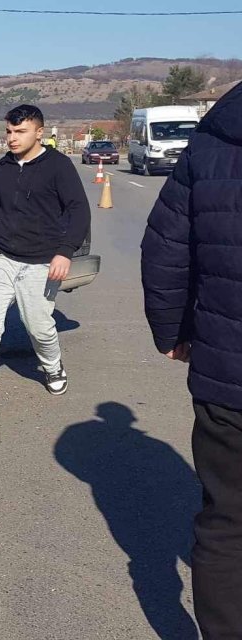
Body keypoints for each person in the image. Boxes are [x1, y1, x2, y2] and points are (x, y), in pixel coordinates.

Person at [141, 81, 242, 638]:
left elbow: (164, 249)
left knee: (228, 527)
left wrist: (173, 333)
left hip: (228, 379)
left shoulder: (211, 143)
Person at [0, 104, 89, 414]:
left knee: (38, 326)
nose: (12, 138)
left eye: (20, 131)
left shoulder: (58, 166)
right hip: (1, 258)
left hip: (42, 262)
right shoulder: (0, 169)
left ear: (39, 132)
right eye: (9, 131)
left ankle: (53, 366)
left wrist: (65, 251)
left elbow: (79, 211)